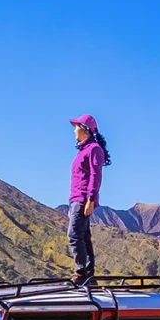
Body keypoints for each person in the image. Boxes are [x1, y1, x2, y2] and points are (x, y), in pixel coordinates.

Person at [67, 115, 111, 286]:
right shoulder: (83, 151)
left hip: (83, 198)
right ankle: (89, 276)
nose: (74, 130)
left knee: (74, 235)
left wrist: (91, 199)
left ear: (85, 129)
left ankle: (82, 273)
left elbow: (95, 175)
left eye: (76, 126)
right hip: (76, 198)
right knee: (83, 236)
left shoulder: (94, 149)